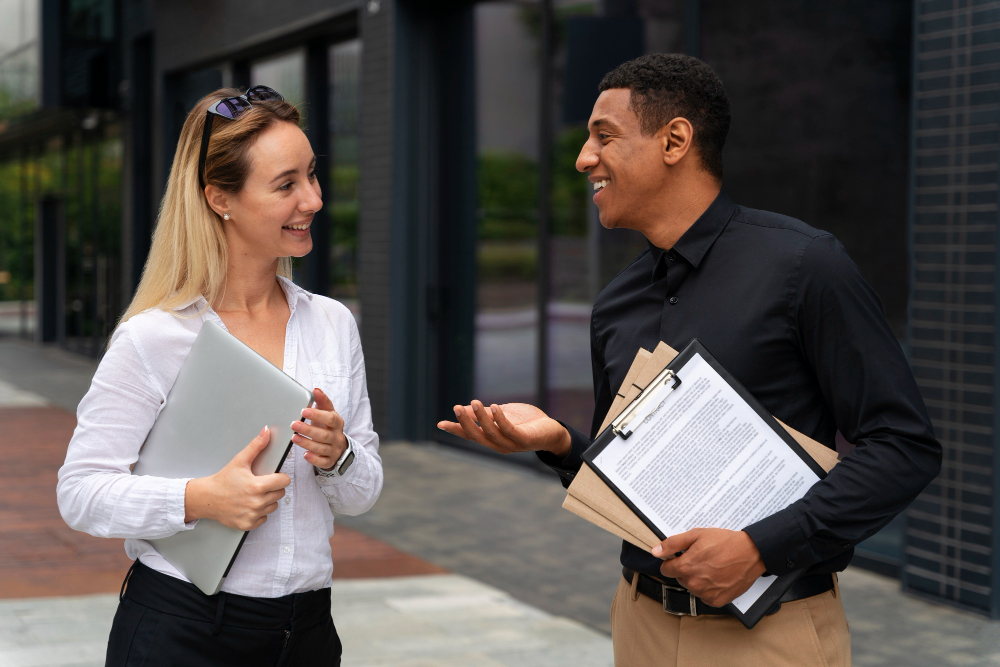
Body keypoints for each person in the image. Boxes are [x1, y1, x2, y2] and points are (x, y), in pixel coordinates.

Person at [439, 54, 942, 666]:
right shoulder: (617, 303)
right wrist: (562, 446)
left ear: (675, 140)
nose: (583, 160)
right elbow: (638, 482)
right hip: (640, 624)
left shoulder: (805, 267)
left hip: (770, 638)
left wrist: (762, 547)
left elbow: (904, 446)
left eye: (604, 137)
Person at [57, 86, 382, 666]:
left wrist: (340, 456)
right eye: (286, 185)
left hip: (306, 634)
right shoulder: (155, 337)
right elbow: (80, 493)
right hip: (182, 631)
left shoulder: (333, 324)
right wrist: (199, 498)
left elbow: (361, 494)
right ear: (219, 198)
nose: (313, 199)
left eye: (312, 175)